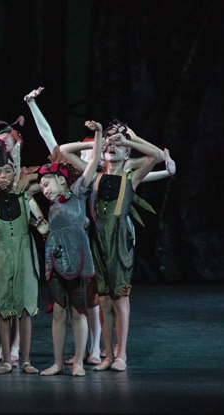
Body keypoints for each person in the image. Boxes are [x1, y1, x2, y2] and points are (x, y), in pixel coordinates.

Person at [61, 120, 163, 371]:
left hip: (119, 241)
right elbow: (64, 150)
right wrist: (98, 138)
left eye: (117, 143)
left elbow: (157, 155)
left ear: (127, 152)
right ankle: (107, 356)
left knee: (120, 299)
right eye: (110, 142)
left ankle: (121, 355)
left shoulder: (131, 175)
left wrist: (126, 139)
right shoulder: (95, 174)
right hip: (98, 240)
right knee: (104, 300)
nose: (112, 145)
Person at [35, 135, 102, 377]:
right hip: (55, 260)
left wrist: (97, 136)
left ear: (62, 180)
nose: (44, 189)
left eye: (47, 184)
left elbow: (93, 164)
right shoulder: (52, 206)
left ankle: (78, 363)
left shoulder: (77, 192)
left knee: (78, 311)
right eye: (40, 187)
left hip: (78, 259)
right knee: (60, 311)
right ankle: (57, 363)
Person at [0, 148, 44, 374]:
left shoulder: (23, 192)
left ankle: (25, 360)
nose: (2, 176)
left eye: (7, 171)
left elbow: (65, 173)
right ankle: (6, 360)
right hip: (1, 252)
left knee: (26, 306)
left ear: (14, 173)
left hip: (24, 250)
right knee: (3, 307)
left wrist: (29, 177)